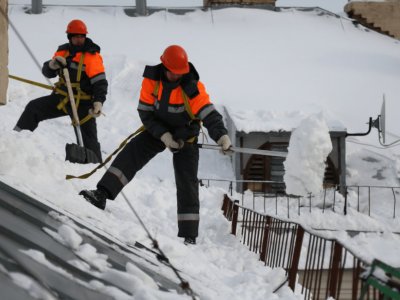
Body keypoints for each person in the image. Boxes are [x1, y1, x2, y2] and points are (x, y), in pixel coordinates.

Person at [79, 45, 232, 245]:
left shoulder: (191, 86)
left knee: (187, 181)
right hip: (158, 129)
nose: (177, 76)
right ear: (164, 66)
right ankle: (102, 194)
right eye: (173, 73)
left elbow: (208, 113)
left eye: (180, 73)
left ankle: (189, 235)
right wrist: (164, 136)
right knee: (132, 153)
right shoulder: (152, 81)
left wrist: (221, 136)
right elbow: (146, 113)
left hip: (186, 135)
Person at [14, 19, 108, 163]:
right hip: (63, 98)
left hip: (82, 103)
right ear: (69, 37)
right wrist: (51, 65)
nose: (79, 39)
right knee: (34, 108)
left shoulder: (91, 56)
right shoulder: (63, 51)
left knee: (89, 140)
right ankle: (14, 141)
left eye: (82, 36)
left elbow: (100, 82)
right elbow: (48, 73)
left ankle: (93, 168)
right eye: (76, 36)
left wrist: (98, 102)